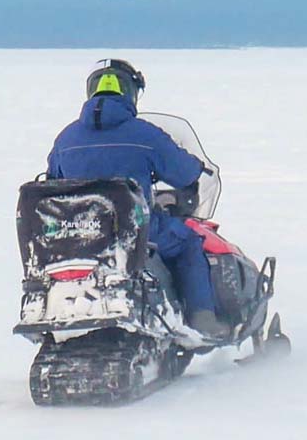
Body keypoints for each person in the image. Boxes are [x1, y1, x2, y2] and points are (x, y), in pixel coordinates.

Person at [46, 58, 229, 338]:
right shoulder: (144, 134)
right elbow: (182, 173)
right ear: (130, 92)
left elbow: (52, 182)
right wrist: (195, 167)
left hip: (78, 236)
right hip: (136, 230)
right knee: (189, 243)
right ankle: (201, 318)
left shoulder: (66, 139)